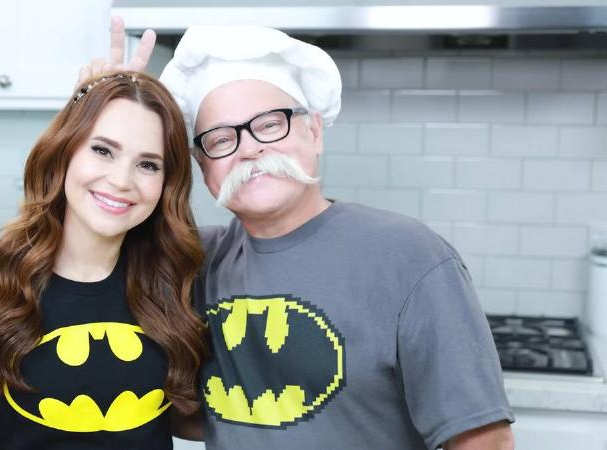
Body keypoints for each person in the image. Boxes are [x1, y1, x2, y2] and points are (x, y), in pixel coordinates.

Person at [156, 25, 516, 450]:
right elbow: (192, 419)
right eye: (220, 138)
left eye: (270, 125)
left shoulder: (408, 256)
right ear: (203, 166)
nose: (249, 149)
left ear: (314, 131)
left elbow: (484, 442)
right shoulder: (194, 264)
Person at [0, 69, 208, 450]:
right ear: (65, 151)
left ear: (166, 183)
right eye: (102, 150)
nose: (122, 180)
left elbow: (204, 422)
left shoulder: (180, 285)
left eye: (148, 164)